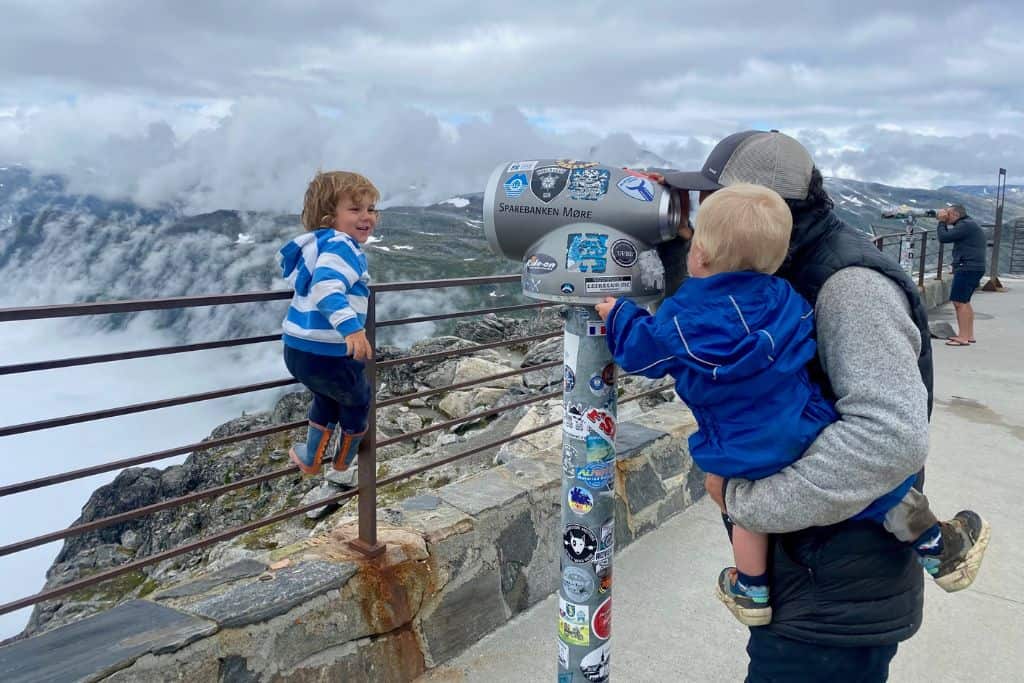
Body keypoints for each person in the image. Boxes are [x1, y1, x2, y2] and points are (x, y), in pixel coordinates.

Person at [657, 131, 988, 681]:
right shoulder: (777, 266)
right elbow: (706, 324)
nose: (705, 211)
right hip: (813, 580)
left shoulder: (848, 286)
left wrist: (749, 504)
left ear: (761, 207)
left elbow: (889, 438)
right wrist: (675, 246)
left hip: (835, 598)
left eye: (713, 199)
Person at [277, 171, 377, 484]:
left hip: (297, 350)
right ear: (328, 216)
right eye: (356, 209)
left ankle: (310, 457)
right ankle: (343, 462)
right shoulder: (342, 245)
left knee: (326, 398)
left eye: (371, 209)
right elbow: (325, 288)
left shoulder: (317, 245)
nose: (367, 217)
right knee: (358, 399)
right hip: (328, 351)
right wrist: (352, 329)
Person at [936, 204, 987, 346]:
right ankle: (968, 335)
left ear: (956, 215)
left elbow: (944, 237)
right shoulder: (968, 224)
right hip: (973, 267)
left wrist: (941, 221)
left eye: (948, 214)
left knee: (959, 302)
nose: (946, 216)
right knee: (965, 301)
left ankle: (963, 337)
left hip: (967, 267)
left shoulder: (965, 225)